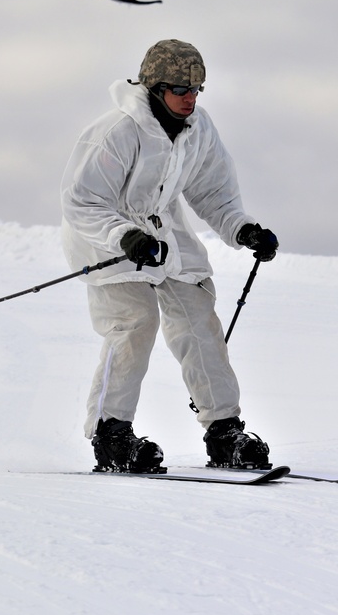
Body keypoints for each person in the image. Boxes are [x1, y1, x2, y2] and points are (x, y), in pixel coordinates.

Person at [60, 39, 279, 473]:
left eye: (197, 89)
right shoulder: (116, 131)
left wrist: (243, 228)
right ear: (155, 87)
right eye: (181, 88)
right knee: (135, 322)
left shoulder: (198, 128)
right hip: (108, 236)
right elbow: (81, 200)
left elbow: (212, 191)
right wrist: (125, 237)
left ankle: (224, 432)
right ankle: (112, 435)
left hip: (164, 231)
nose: (190, 98)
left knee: (199, 319)